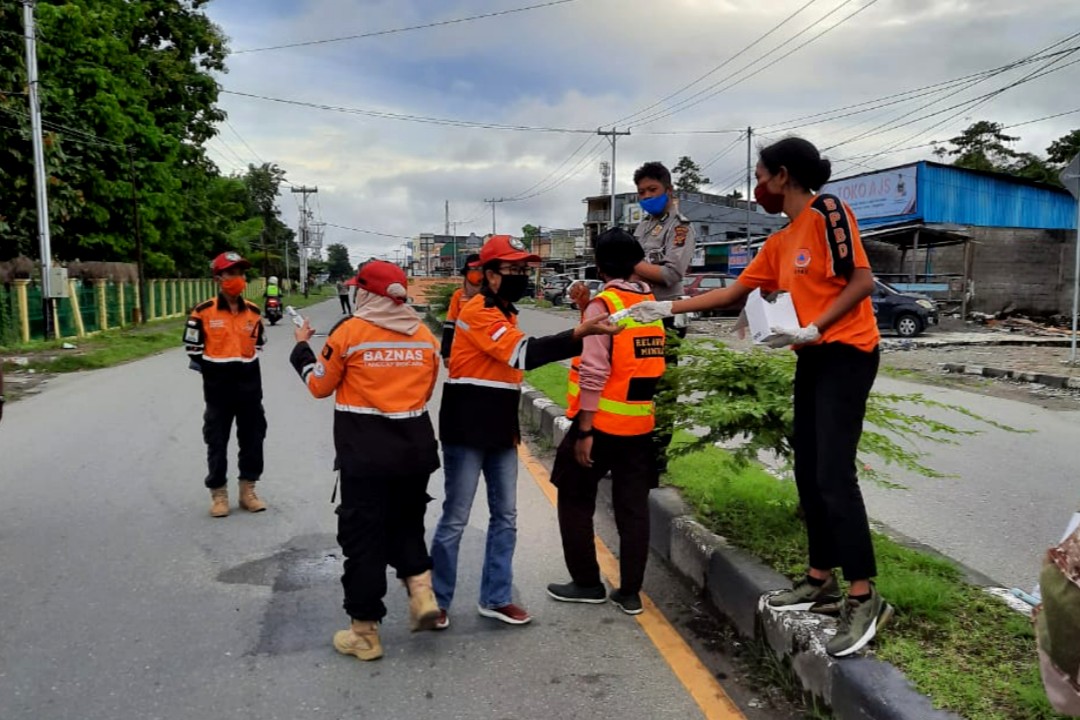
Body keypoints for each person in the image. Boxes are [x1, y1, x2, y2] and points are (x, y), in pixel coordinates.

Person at [629, 137, 889, 658]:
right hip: (812, 355)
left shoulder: (827, 213)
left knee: (835, 473)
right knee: (808, 469)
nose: (757, 185)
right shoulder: (780, 240)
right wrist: (665, 309)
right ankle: (821, 578)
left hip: (849, 353)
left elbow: (862, 279)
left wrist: (818, 324)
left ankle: (864, 594)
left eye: (761, 174)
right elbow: (731, 294)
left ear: (783, 175)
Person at [431, 235, 621, 628]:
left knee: (506, 516)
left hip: (500, 426)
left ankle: (496, 598)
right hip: (466, 427)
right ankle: (437, 601)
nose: (520, 276)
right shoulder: (476, 310)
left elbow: (513, 365)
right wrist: (581, 332)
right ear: (488, 275)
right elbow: (523, 354)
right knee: (456, 517)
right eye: (512, 269)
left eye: (524, 269)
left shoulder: (507, 314)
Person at [289, 260, 442, 662]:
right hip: (416, 452)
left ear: (365, 294)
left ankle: (364, 633)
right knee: (408, 524)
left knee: (364, 541)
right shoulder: (426, 336)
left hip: (366, 458)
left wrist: (301, 349)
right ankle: (422, 595)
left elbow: (320, 385)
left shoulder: (350, 332)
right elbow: (425, 391)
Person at [546, 228, 666, 616]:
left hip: (601, 425)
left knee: (574, 498)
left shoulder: (606, 305)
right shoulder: (649, 304)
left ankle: (586, 583)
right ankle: (630, 593)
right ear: (636, 263)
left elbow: (595, 370)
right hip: (640, 426)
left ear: (598, 265)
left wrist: (584, 431)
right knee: (634, 509)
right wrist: (586, 308)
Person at [184, 251, 268, 517]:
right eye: (231, 273)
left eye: (241, 273)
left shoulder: (254, 312)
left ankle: (248, 491)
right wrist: (214, 372)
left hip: (250, 387)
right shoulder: (202, 312)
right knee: (217, 440)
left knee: (253, 438)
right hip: (219, 389)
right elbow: (193, 349)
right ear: (218, 277)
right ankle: (219, 494)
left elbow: (259, 343)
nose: (237, 279)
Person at [630, 161, 695, 474]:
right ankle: (634, 451)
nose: (646, 196)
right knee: (637, 386)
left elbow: (670, 274)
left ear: (668, 190)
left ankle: (656, 460)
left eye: (652, 190)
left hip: (666, 316)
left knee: (662, 388)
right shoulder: (642, 226)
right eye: (641, 192)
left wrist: (628, 264)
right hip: (639, 315)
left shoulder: (680, 227)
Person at [440, 253, 483, 368]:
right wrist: (446, 353)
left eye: (480, 269)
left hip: (485, 349)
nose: (477, 272)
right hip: (462, 350)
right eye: (473, 269)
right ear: (466, 273)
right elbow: (449, 325)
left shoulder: (492, 295)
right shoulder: (459, 295)